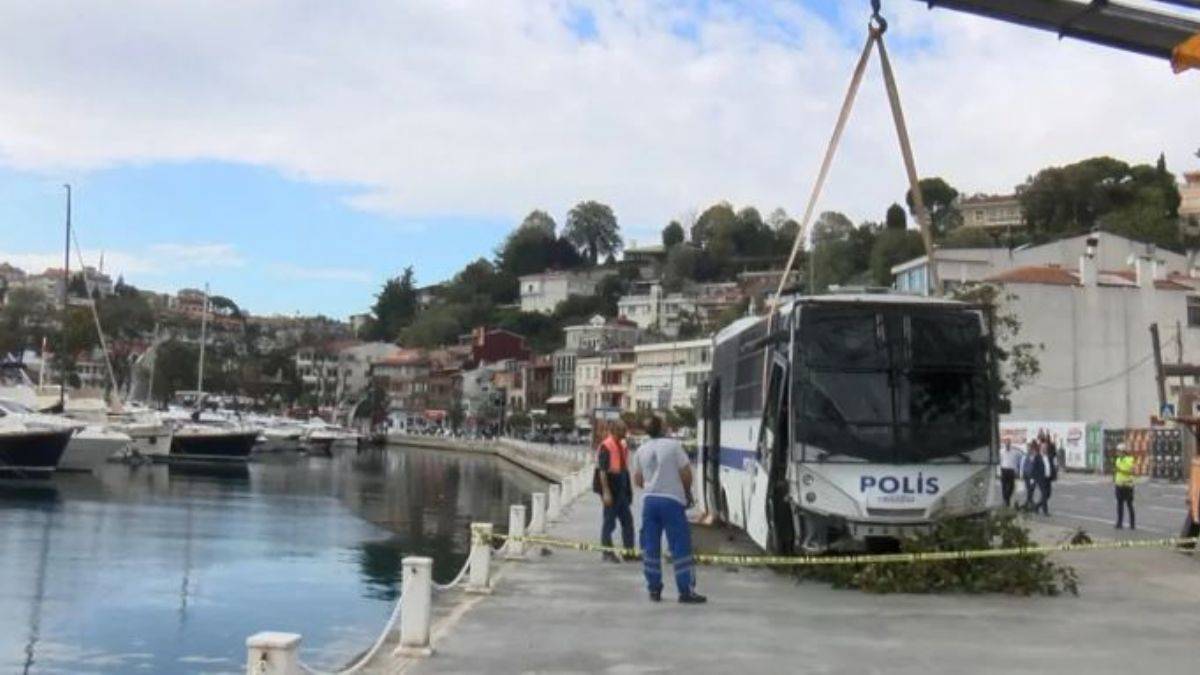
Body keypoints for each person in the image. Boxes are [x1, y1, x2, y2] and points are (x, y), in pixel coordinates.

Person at [633, 416, 706, 604]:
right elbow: (686, 473)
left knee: (650, 546)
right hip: (672, 501)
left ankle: (654, 590)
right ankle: (685, 591)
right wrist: (687, 493)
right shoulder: (674, 446)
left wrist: (652, 485)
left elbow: (638, 480)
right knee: (680, 546)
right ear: (663, 428)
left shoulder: (641, 450)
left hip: (650, 502)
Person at [596, 420, 634, 562]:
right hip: (611, 486)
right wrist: (606, 492)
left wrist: (629, 490)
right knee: (609, 522)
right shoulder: (606, 445)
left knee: (627, 522)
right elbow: (603, 471)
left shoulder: (622, 445)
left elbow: (624, 468)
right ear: (615, 430)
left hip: (622, 486)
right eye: (622, 430)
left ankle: (629, 552)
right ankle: (607, 552)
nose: (625, 433)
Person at [1113, 443, 1136, 530]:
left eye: (1119, 451)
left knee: (1129, 505)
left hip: (1127, 485)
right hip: (1119, 485)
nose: (1117, 453)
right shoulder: (1118, 460)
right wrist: (1115, 479)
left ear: (1123, 452)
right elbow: (1117, 471)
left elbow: (1131, 472)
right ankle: (1119, 523)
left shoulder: (1129, 460)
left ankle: (1132, 524)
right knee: (1119, 505)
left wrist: (1120, 470)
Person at [999, 441, 1021, 508]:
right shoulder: (1001, 452)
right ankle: (1006, 502)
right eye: (1006, 444)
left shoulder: (1015, 452)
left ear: (1010, 444)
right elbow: (999, 461)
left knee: (1011, 486)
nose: (1007, 445)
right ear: (1005, 444)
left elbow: (1019, 460)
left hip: (1011, 470)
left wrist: (1017, 470)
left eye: (1008, 444)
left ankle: (1006, 498)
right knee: (1004, 486)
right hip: (1004, 469)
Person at [1021, 441, 1039, 511]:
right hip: (1027, 475)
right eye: (1028, 448)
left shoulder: (1035, 455)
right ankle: (1029, 502)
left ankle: (1028, 502)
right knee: (1029, 490)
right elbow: (1023, 465)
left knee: (1031, 490)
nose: (1028, 449)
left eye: (1029, 448)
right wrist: (1022, 474)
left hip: (1033, 476)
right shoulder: (1026, 455)